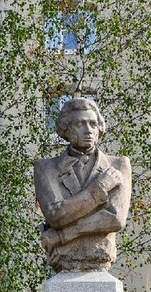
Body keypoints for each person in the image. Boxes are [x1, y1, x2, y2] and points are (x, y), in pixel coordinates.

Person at [33, 97, 132, 272]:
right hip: (65, 263)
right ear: (66, 129)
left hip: (100, 253)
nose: (88, 130)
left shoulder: (118, 165)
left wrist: (64, 234)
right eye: (80, 124)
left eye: (93, 124)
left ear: (99, 128)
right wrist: (100, 187)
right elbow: (56, 215)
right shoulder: (46, 168)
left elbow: (115, 218)